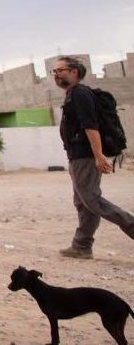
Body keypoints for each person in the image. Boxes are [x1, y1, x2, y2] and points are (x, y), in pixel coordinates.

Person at [52, 56, 134, 259]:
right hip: (77, 156)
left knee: (91, 199)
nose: (57, 74)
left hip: (85, 156)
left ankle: (131, 225)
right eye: (54, 72)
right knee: (83, 201)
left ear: (74, 72)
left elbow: (91, 125)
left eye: (60, 70)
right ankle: (81, 245)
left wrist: (98, 156)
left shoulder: (79, 93)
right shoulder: (72, 94)